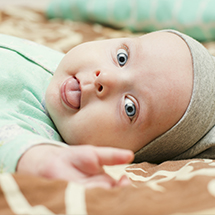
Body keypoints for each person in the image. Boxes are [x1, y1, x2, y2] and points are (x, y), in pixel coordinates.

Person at [1, 29, 215, 187]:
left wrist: (40, 160)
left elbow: (13, 142)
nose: (106, 78)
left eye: (130, 107)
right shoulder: (61, 64)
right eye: (122, 58)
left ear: (133, 153)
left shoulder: (38, 131)